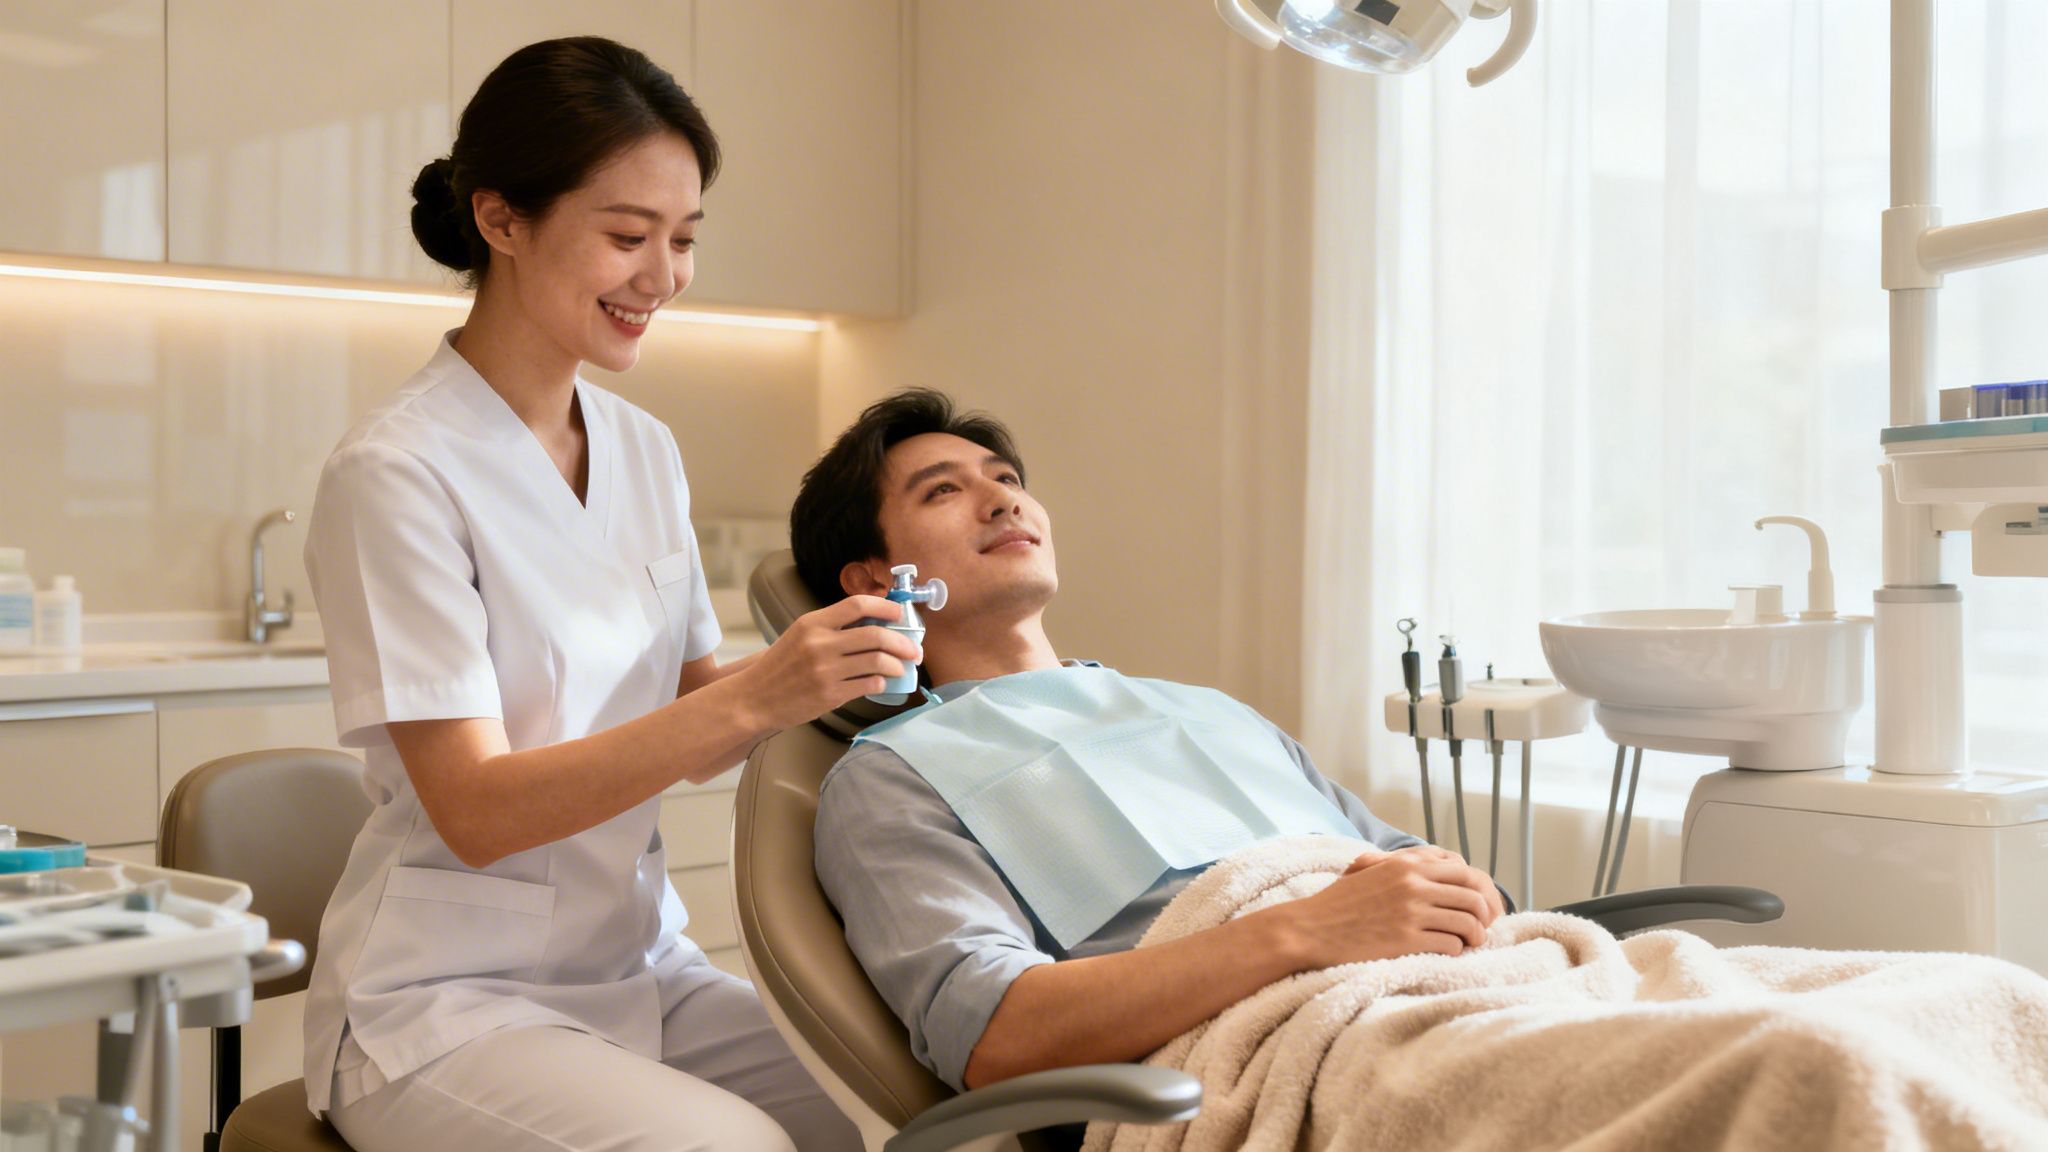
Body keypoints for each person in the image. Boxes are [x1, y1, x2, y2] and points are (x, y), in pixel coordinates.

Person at [300, 38, 911, 1152]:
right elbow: (476, 810)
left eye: (681, 240)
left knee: (902, 1103)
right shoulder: (397, 470)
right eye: (626, 236)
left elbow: (698, 709)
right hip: (446, 1001)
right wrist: (758, 693)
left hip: (638, 968)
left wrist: (847, 664)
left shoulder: (643, 450)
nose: (663, 275)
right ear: (500, 220)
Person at [793, 389, 1505, 1108]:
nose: (1002, 501)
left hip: (1465, 989)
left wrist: (1471, 899)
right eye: (944, 490)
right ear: (876, 579)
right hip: (1293, 1059)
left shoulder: (1206, 710)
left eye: (1007, 479)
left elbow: (1418, 871)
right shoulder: (894, 776)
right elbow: (991, 1032)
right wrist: (1307, 929)